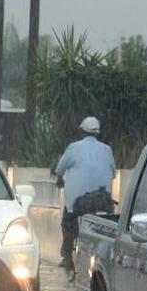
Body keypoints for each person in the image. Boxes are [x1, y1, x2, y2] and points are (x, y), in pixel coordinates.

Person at [53, 116, 115, 273]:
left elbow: (59, 169)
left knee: (68, 224)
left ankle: (67, 256)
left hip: (78, 203)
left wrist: (60, 179)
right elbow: (113, 173)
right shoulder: (107, 150)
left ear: (81, 132)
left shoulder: (73, 148)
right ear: (98, 133)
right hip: (102, 201)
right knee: (106, 229)